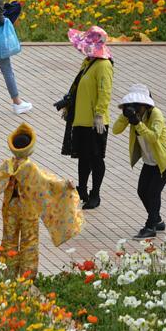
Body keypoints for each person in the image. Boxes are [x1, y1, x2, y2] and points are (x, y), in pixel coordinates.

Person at [0, 123, 83, 277]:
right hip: (28, 209)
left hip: (10, 206)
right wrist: (65, 185)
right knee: (29, 241)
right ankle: (27, 276)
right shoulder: (30, 167)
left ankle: (7, 273)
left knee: (9, 239)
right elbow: (47, 182)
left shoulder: (8, 164)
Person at [111, 84, 166, 239]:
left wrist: (138, 123)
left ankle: (150, 227)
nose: (135, 108)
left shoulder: (156, 114)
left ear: (145, 105)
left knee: (153, 192)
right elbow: (115, 130)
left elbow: (153, 137)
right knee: (142, 191)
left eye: (137, 105)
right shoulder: (133, 115)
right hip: (149, 161)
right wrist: (125, 116)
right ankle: (157, 220)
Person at [58, 25, 114, 210]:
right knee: (83, 157)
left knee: (96, 158)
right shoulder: (89, 62)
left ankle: (95, 194)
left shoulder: (104, 65)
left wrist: (99, 114)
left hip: (95, 122)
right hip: (81, 119)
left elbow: (104, 92)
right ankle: (82, 189)